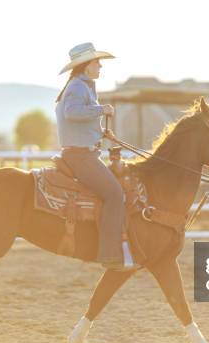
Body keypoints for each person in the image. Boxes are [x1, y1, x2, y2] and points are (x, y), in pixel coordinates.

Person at [55, 42, 135, 271]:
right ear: (85, 65)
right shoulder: (79, 86)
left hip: (83, 153)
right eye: (96, 62)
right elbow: (72, 113)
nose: (100, 65)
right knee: (114, 194)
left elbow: (79, 121)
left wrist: (100, 132)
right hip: (81, 157)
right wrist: (102, 110)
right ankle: (110, 255)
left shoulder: (81, 85)